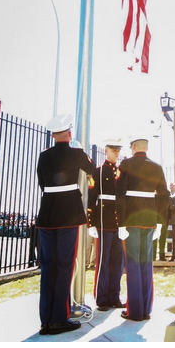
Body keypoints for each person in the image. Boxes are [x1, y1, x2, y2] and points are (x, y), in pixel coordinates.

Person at [36, 114, 95, 335]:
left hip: (47, 215)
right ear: (69, 134)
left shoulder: (43, 156)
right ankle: (59, 319)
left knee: (48, 268)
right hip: (68, 214)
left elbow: (42, 183)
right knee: (64, 267)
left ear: (53, 135)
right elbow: (92, 170)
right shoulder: (77, 153)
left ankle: (46, 320)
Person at [116, 137, 170, 322]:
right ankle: (146, 308)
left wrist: (121, 223)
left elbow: (120, 195)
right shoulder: (156, 167)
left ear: (133, 147)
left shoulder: (126, 164)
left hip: (131, 219)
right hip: (149, 220)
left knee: (132, 265)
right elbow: (164, 196)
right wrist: (160, 222)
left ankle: (135, 311)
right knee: (145, 264)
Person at [86, 140, 126, 311]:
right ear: (106, 151)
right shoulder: (98, 171)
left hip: (119, 224)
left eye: (119, 150)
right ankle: (102, 298)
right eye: (114, 150)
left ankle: (114, 296)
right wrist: (91, 222)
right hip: (103, 221)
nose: (117, 153)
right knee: (103, 262)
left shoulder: (122, 172)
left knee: (117, 262)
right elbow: (91, 197)